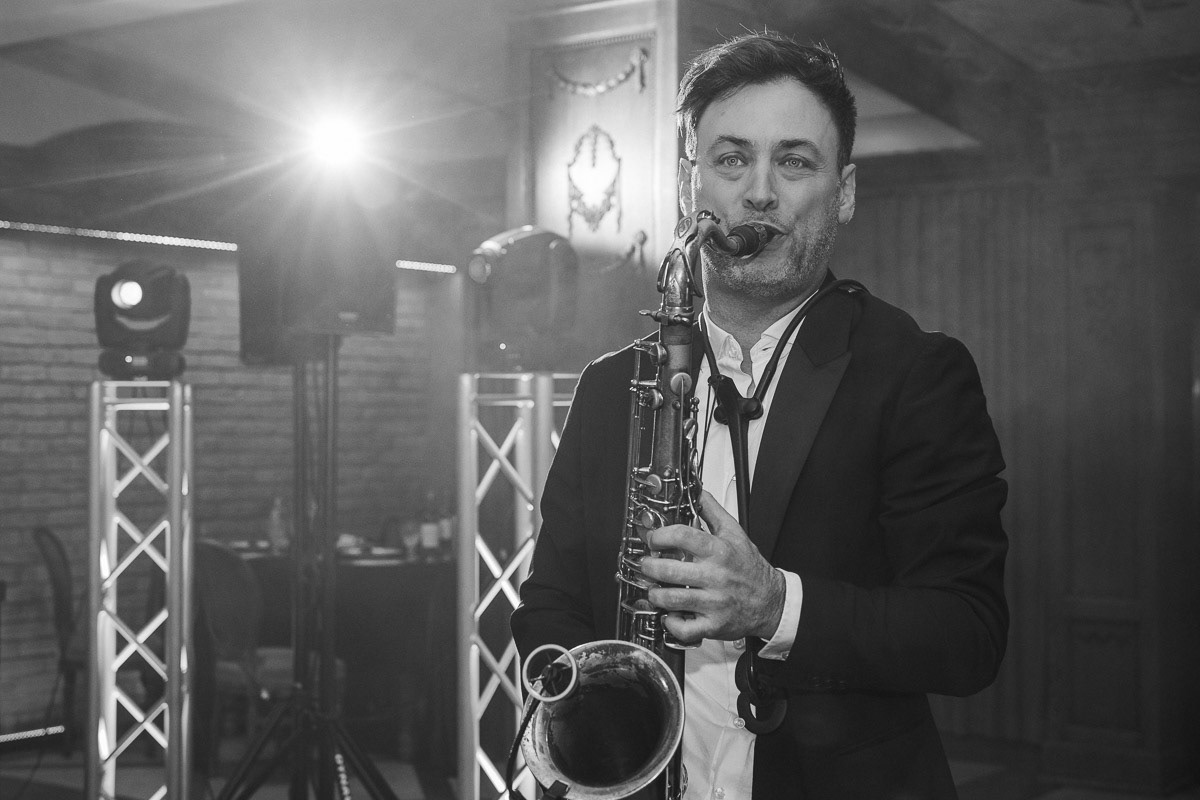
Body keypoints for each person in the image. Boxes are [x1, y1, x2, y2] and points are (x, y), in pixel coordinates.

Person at [511, 30, 1008, 800]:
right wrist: (591, 731)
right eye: (731, 159)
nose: (760, 193)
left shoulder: (917, 374)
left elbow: (967, 634)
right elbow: (550, 603)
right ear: (690, 186)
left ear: (844, 192)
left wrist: (776, 605)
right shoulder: (612, 385)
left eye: (795, 161)